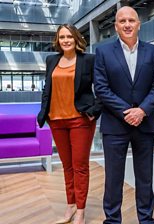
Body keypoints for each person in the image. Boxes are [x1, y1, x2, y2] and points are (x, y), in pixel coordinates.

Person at [93, 6, 154, 224]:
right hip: (115, 125)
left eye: (131, 20)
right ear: (115, 26)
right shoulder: (103, 52)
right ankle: (113, 220)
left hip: (144, 124)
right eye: (122, 21)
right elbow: (101, 88)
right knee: (113, 178)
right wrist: (127, 112)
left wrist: (142, 110)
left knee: (144, 178)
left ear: (138, 24)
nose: (127, 24)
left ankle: (146, 219)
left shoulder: (152, 51)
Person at [37, 24, 102, 224]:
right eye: (62, 37)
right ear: (58, 40)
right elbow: (47, 87)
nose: (66, 40)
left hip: (80, 120)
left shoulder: (88, 60)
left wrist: (93, 112)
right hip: (56, 120)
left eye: (69, 37)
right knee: (67, 166)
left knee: (80, 166)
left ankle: (81, 210)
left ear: (76, 39)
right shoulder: (52, 60)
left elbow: (102, 87)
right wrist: (44, 111)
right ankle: (70, 205)